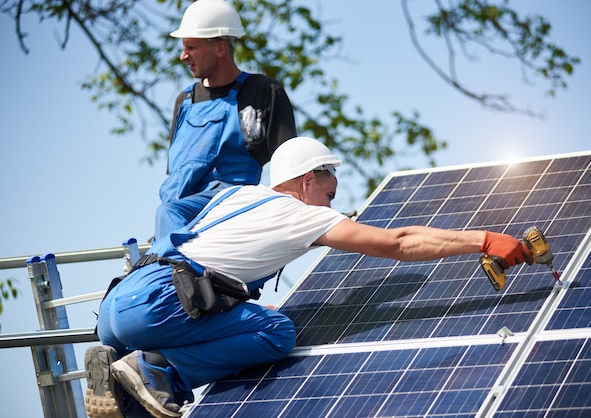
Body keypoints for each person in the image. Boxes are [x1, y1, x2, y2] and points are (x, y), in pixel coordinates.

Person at [85, 137, 532, 418]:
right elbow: (397, 243)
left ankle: (127, 387)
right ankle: (155, 368)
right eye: (329, 194)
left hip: (118, 303)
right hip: (159, 307)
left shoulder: (237, 195)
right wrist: (484, 239)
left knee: (146, 398)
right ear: (306, 181)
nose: (330, 208)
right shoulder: (298, 214)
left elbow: (173, 212)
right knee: (277, 331)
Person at [154, 0, 297, 242]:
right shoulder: (184, 101)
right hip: (180, 220)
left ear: (220, 48)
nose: (183, 56)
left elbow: (291, 169)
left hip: (232, 212)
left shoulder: (263, 92)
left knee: (169, 214)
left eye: (191, 47)